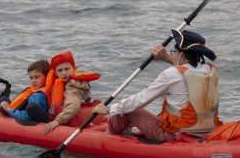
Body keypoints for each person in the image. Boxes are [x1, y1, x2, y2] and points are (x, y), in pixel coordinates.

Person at [93, 29, 223, 142]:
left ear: (181, 55)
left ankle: (108, 137)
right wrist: (165, 57)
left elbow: (141, 100)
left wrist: (109, 110)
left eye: (174, 52)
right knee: (169, 110)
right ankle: (136, 130)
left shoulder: (171, 74)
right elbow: (187, 72)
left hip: (174, 135)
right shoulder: (210, 71)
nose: (173, 55)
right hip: (207, 131)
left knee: (127, 110)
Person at [43, 51, 100, 134]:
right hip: (67, 115)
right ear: (55, 73)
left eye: (67, 69)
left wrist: (57, 121)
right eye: (60, 70)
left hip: (69, 119)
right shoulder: (64, 83)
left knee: (32, 109)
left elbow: (73, 106)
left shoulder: (72, 86)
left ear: (74, 68)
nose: (64, 73)